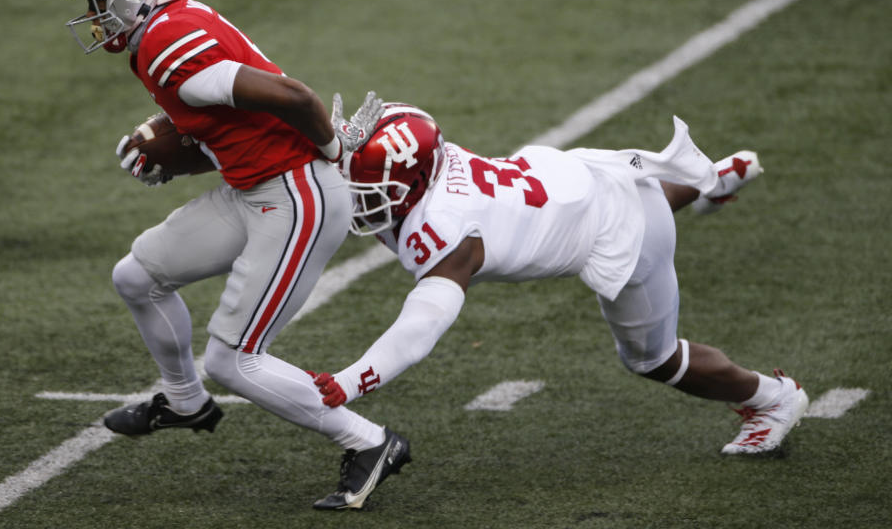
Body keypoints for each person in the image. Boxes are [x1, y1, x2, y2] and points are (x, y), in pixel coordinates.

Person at [62, 0, 409, 510]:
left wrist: (333, 149)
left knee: (233, 358)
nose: (95, 14)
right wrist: (173, 162)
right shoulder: (169, 26)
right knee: (137, 277)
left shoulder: (168, 43)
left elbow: (295, 98)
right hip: (256, 189)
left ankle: (371, 441)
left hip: (297, 196)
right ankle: (183, 401)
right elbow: (233, 131)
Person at [310, 101, 809, 456]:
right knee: (628, 195)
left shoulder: (446, 230)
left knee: (652, 358)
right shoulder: (427, 158)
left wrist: (352, 381)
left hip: (622, 234)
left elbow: (422, 324)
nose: (354, 193)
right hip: (576, 176)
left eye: (366, 186)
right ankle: (709, 182)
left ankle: (771, 399)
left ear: (411, 183)